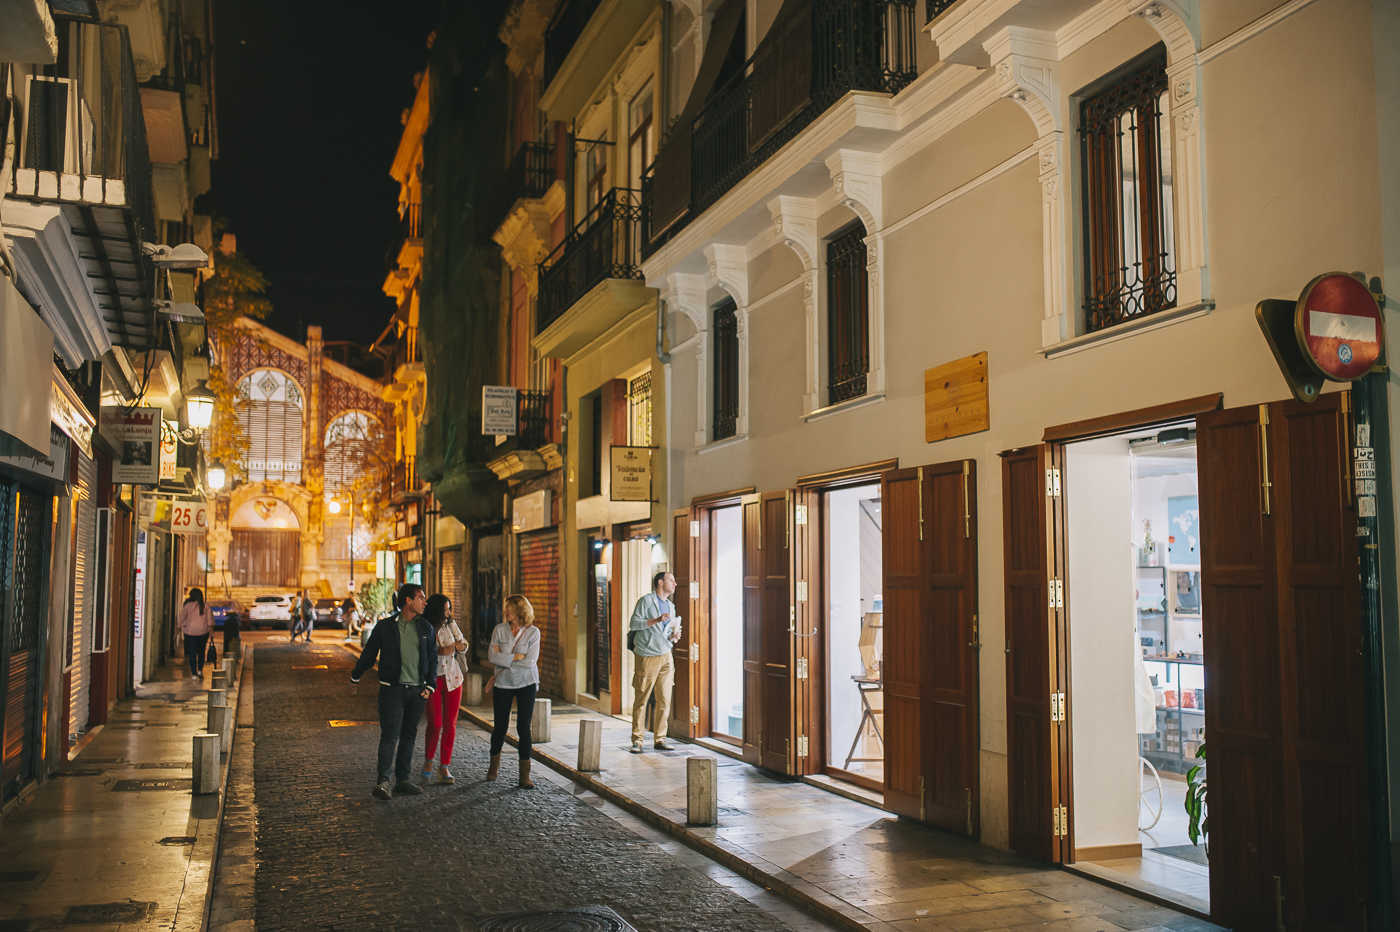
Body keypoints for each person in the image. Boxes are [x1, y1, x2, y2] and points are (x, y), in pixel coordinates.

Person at [350, 583, 436, 800]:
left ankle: (403, 780)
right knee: (390, 736)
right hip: (392, 691)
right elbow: (369, 653)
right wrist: (356, 675)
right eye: (420, 598)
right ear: (408, 600)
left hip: (417, 691)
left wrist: (430, 685)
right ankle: (383, 781)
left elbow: (433, 658)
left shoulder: (425, 627)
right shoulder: (386, 627)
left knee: (409, 735)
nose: (424, 602)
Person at [487, 594, 541, 788]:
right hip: (503, 683)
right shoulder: (499, 630)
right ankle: (493, 766)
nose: (506, 611)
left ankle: (524, 775)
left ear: (521, 610)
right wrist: (515, 657)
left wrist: (506, 657)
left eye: (510, 608)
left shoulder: (533, 632)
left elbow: (530, 661)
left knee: (523, 728)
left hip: (527, 683)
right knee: (500, 727)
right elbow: (492, 656)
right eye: (506, 608)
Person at [628, 571, 680, 753]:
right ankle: (637, 739)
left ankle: (660, 738)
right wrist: (656, 620)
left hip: (666, 654)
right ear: (660, 582)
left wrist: (675, 635)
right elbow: (634, 624)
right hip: (647, 655)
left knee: (664, 699)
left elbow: (667, 629)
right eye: (671, 580)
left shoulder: (671, 606)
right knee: (641, 698)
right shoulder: (646, 601)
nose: (674, 584)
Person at [421, 595, 468, 784]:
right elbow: (422, 650)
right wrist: (439, 651)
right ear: (437, 609)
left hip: (453, 678)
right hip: (432, 678)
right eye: (446, 609)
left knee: (450, 724)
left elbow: (464, 644)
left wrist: (457, 646)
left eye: (449, 609)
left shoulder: (451, 625)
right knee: (435, 723)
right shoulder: (425, 626)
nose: (449, 613)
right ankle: (428, 762)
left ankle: (444, 766)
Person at [179, 587, 212, 679]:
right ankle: (200, 670)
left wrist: (179, 627)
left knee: (192, 653)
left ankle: (194, 673)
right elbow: (210, 621)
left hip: (190, 633)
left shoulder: (187, 606)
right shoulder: (206, 606)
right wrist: (211, 632)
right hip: (203, 632)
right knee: (201, 652)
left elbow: (182, 618)